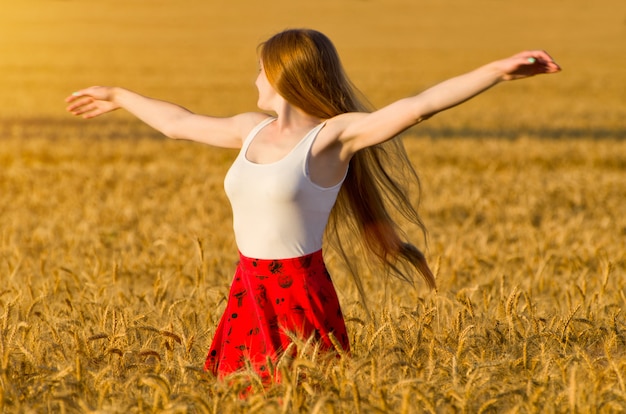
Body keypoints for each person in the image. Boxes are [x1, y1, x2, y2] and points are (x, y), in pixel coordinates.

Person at [65, 28, 560, 381]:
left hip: (299, 294)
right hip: (246, 289)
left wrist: (495, 72)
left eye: (259, 70)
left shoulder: (331, 138)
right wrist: (118, 95)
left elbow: (417, 107)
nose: (253, 79)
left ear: (282, 74)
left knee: (302, 392)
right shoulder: (248, 129)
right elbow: (178, 122)